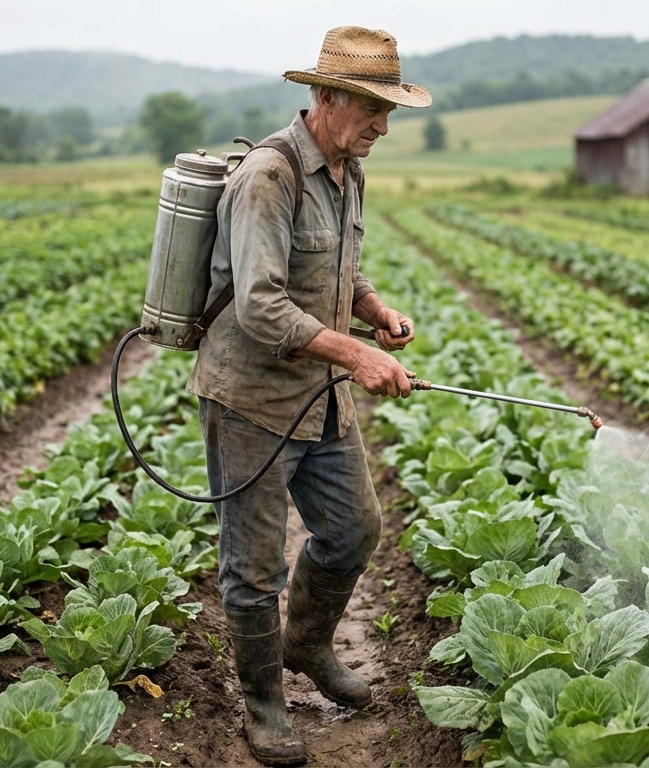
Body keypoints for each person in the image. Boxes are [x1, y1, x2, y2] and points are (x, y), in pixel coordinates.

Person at [185, 25, 432, 766]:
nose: (383, 127)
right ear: (327, 97)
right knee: (253, 567)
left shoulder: (346, 169)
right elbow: (261, 306)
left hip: (319, 394)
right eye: (373, 109)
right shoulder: (269, 175)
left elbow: (340, 268)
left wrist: (375, 310)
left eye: (389, 111)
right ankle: (264, 704)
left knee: (354, 529)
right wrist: (356, 353)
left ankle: (307, 645)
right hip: (252, 400)